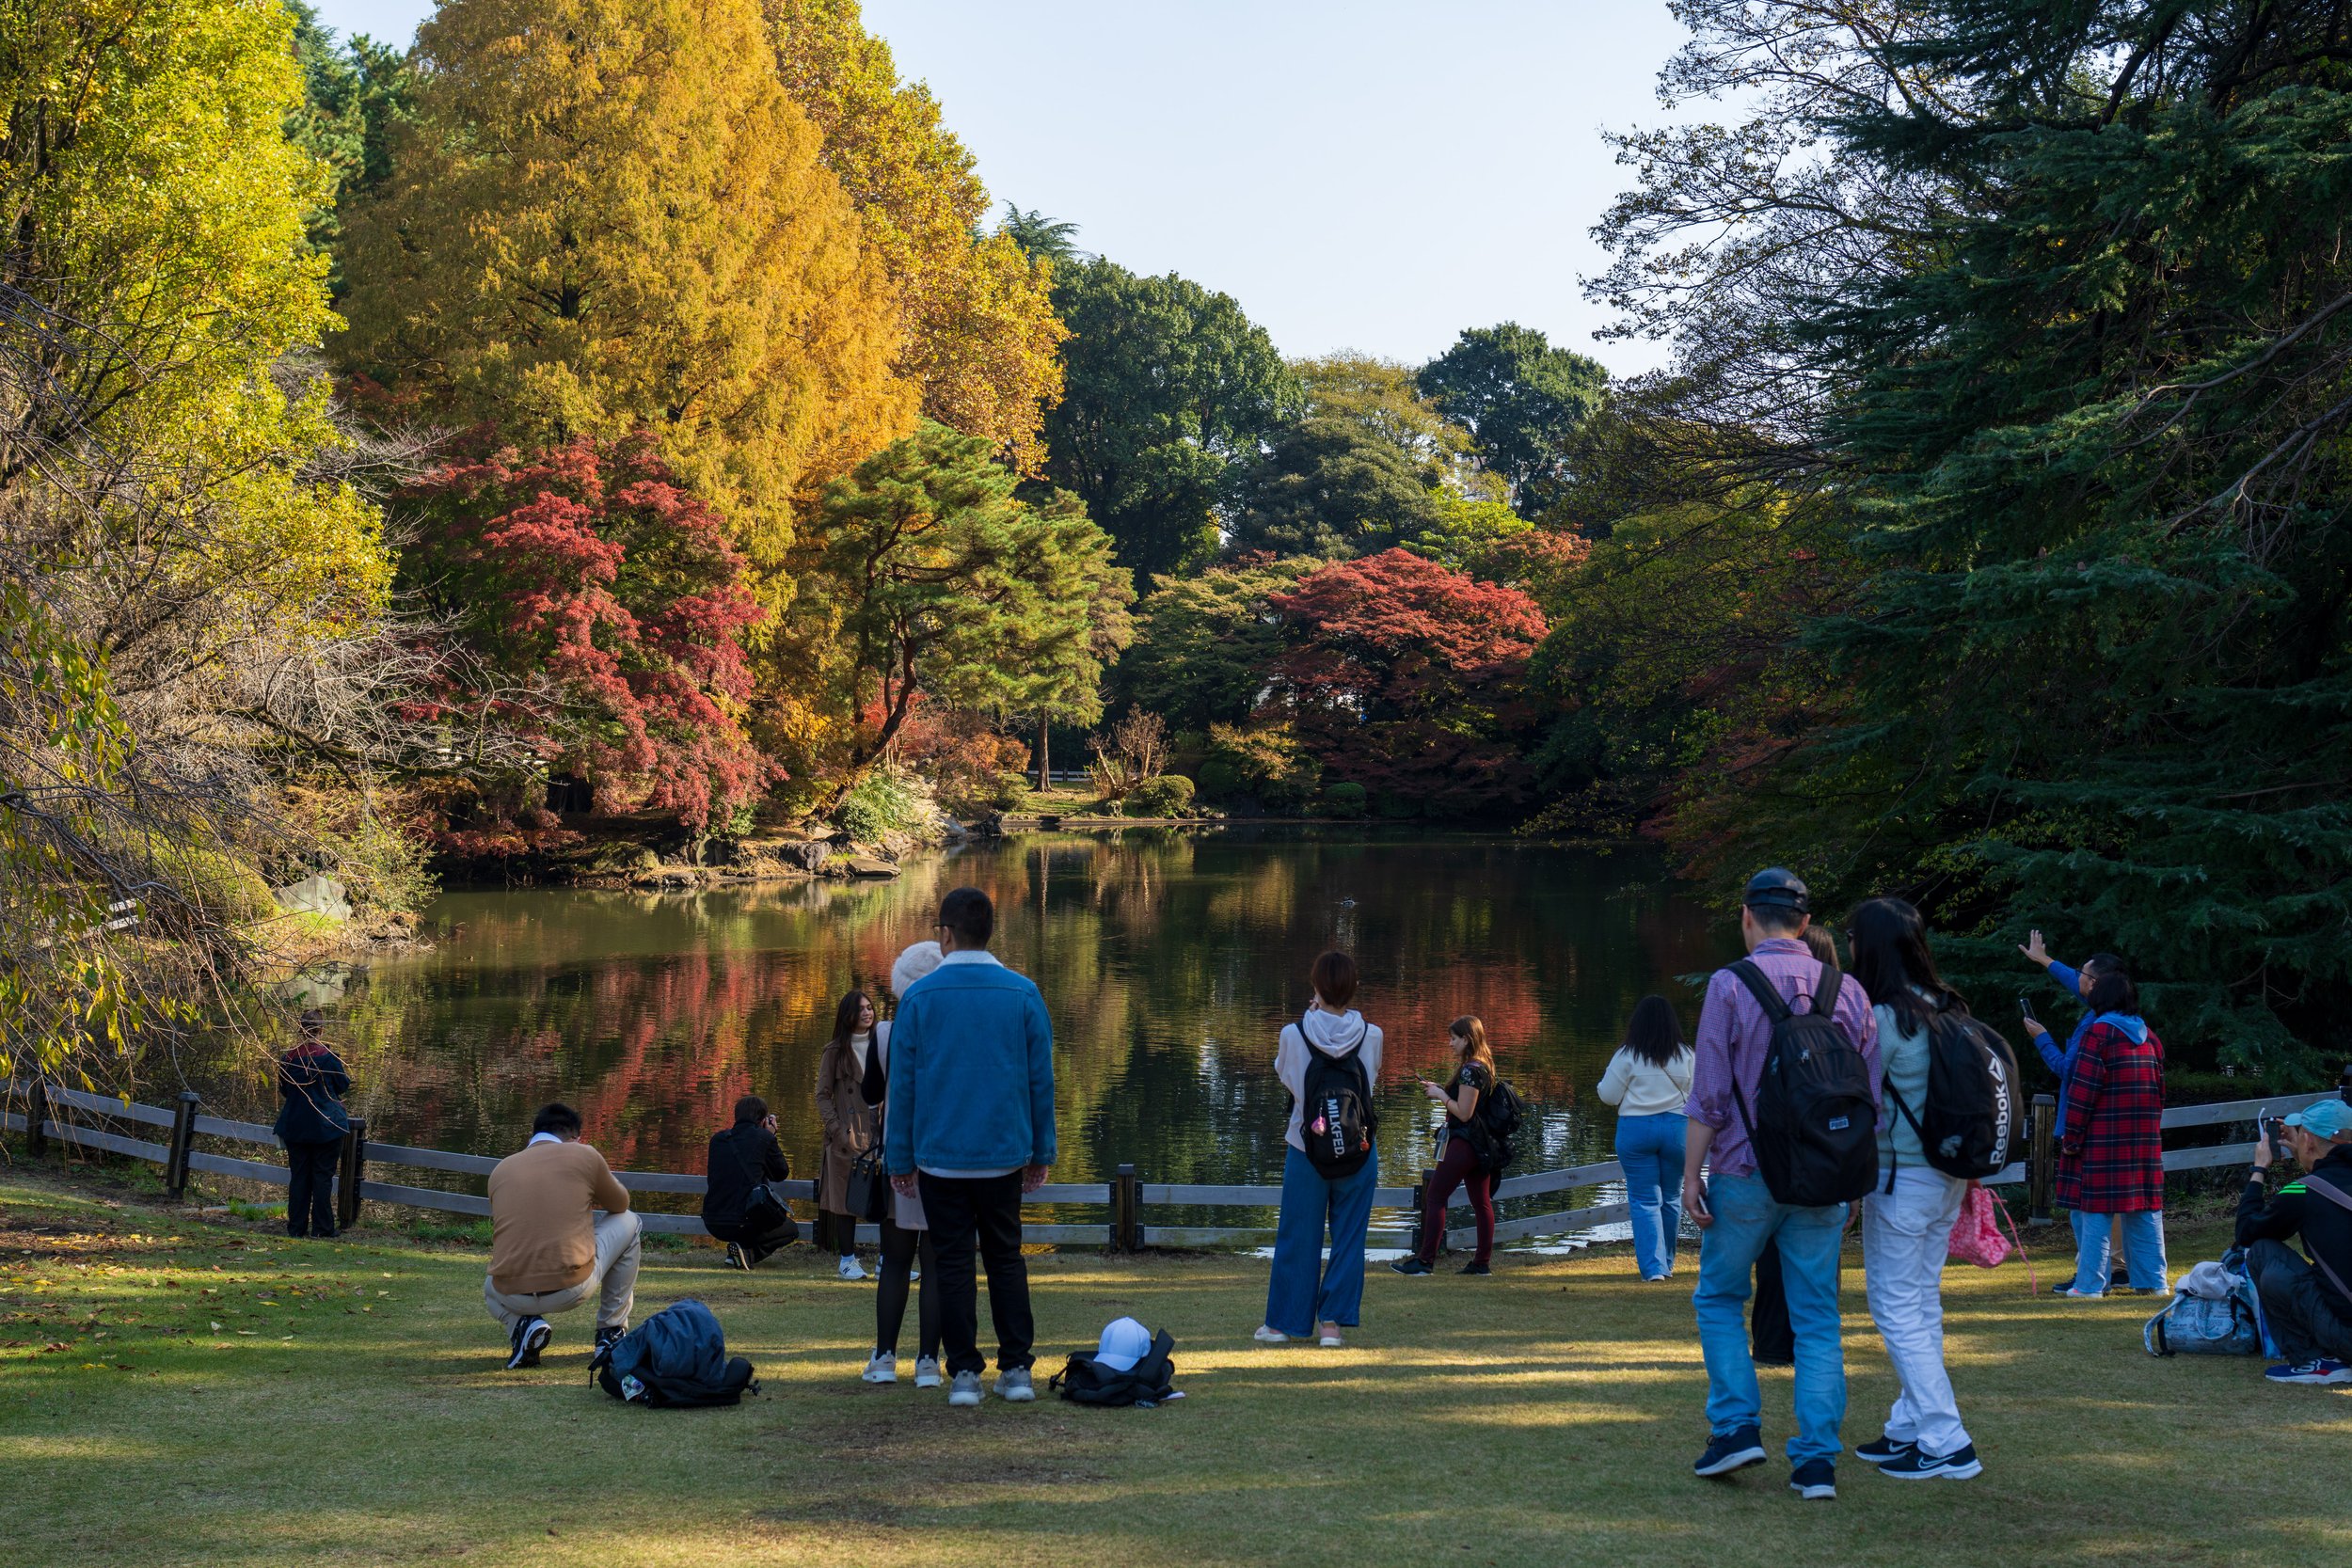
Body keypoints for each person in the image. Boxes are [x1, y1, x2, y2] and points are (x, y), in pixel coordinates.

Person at [1681, 867, 1879, 1501]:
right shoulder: (1847, 991)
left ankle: (1737, 1424)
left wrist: (1690, 1173)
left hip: (1745, 1171)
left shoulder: (1730, 984)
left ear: (1747, 916)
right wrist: (1851, 1182)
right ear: (1804, 922)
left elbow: (1709, 1092)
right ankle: (1817, 1462)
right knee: (1818, 1317)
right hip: (1823, 1176)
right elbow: (1868, 1096)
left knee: (1718, 1297)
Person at [882, 888, 1056, 1408]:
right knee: (1006, 1259)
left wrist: (899, 1158)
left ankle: (963, 1374)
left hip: (941, 1156)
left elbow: (905, 1086)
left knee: (953, 1263)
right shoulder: (1023, 993)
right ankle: (1018, 1368)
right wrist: (1041, 1151)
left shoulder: (920, 997)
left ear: (947, 934)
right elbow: (1039, 1081)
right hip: (1003, 1153)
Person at [1846, 896, 1983, 1481]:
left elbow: (1862, 1106)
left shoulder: (1881, 1017)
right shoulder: (1947, 1007)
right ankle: (1909, 1426)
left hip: (1901, 1180)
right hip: (1946, 1177)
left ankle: (1947, 1439)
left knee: (1896, 1307)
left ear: (1869, 946)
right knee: (1921, 1302)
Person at [1258, 950, 1385, 1346]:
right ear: (1353, 988)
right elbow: (1372, 1079)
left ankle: (1284, 1324)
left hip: (1305, 1147)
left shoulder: (1293, 1034)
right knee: (1350, 1235)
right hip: (1359, 1149)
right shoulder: (1373, 1034)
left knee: (1299, 1233)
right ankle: (1332, 1324)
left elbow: (1287, 1079)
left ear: (1315, 987)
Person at [484, 1102, 641, 1370]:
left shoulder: (501, 1170)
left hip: (510, 1293)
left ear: (531, 1136)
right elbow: (620, 1204)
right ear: (574, 1138)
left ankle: (523, 1326)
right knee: (631, 1221)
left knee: (490, 1284)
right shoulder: (584, 1155)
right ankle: (610, 1331)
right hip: (570, 1286)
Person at [2017, 934, 2130, 1288]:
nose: (2078, 980)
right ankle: (2118, 1268)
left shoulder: (2094, 1027)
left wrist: (2041, 1038)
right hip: (2105, 1125)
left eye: (2083, 975)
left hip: (2081, 1124)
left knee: (2084, 1204)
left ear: (2096, 984)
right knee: (2108, 1200)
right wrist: (2045, 961)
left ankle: (2092, 1272)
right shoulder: (2119, 1016)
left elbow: (2068, 1070)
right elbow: (2074, 981)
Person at [2054, 966, 2169, 1298]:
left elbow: (2083, 1091)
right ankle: (2153, 1282)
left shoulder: (2098, 1034)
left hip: (2103, 1139)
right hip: (2144, 1140)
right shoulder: (2150, 1037)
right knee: (2145, 1209)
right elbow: (2160, 1091)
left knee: (2095, 1213)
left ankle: (2090, 1285)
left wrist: (2072, 1139)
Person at [859, 941, 944, 1388]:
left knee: (895, 1262)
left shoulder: (886, 1033)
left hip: (899, 1160)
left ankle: (885, 1357)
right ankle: (928, 1362)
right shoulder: (955, 1030)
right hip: (946, 1160)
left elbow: (871, 1093)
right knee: (934, 1266)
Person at [2238, 1098, 2352, 1385]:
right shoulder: (2312, 1188)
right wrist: (2310, 1159)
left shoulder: (2302, 1192)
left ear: (2310, 1141)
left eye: (2300, 1134)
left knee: (2263, 1251)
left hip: (2346, 1335)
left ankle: (2316, 1360)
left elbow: (2247, 1232)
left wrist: (2259, 1169)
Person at [1391, 1015, 1499, 1276]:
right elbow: (1469, 1103)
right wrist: (1441, 1089)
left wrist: (1440, 1096)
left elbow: (1464, 1113)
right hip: (1480, 1145)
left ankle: (1425, 1262)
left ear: (1466, 1039)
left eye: (1454, 1039)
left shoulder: (1470, 1070)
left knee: (1436, 1196)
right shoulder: (1484, 1066)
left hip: (1465, 1143)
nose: (1450, 1044)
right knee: (1481, 1201)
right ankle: (1481, 1263)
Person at [1597, 995, 1693, 1282]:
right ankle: (1667, 1262)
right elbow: (1700, 1094)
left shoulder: (1627, 1055)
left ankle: (1654, 1269)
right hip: (1678, 1129)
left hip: (1636, 1130)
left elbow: (1609, 1095)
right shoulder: (1687, 1054)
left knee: (1643, 1199)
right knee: (1672, 1197)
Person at [816, 990, 880, 1281]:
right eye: (862, 1009)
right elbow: (822, 1095)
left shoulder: (884, 1045)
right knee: (845, 1200)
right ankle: (847, 1260)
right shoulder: (834, 1051)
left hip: (881, 1132)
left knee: (886, 1197)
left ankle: (887, 1260)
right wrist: (837, 1131)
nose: (868, 1013)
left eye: (870, 1007)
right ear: (848, 1015)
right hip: (848, 1135)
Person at [273, 1010, 352, 1241]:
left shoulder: (288, 1058)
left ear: (300, 1029)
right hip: (325, 1127)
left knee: (299, 1177)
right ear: (322, 1030)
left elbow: (285, 1091)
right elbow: (342, 1085)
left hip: (296, 1126)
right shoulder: (328, 1058)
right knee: (322, 1177)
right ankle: (322, 1228)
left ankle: (296, 1227)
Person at [701, 1095, 795, 1270]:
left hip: (713, 1220)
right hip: (744, 1220)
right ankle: (748, 1255)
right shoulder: (764, 1138)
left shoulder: (718, 1140)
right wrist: (770, 1136)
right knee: (790, 1229)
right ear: (762, 1119)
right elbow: (781, 1173)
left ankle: (736, 1254)